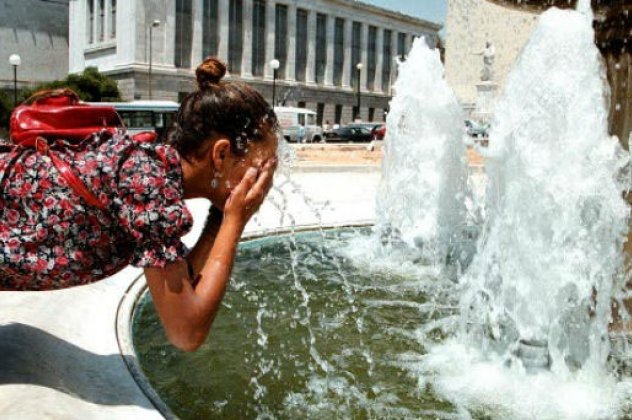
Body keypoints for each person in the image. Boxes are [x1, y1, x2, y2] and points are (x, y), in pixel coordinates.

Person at [0, 57, 278, 351]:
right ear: (221, 155)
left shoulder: (151, 171)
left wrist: (221, 219)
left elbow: (182, 286)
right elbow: (186, 331)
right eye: (260, 166)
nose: (263, 179)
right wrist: (235, 222)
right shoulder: (147, 181)